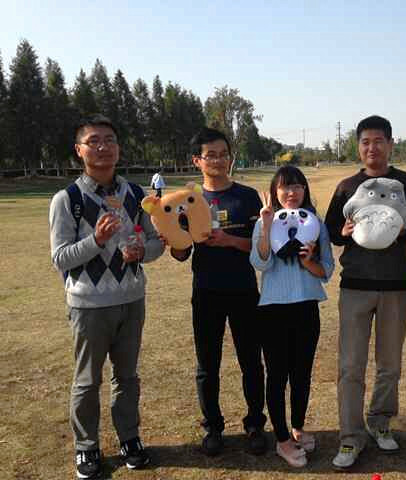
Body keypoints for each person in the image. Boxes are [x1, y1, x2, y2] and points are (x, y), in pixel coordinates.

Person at [49, 114, 164, 479]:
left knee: (127, 377)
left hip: (131, 300)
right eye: (94, 141)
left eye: (110, 140)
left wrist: (142, 252)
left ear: (119, 147)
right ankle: (86, 447)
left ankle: (129, 439)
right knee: (87, 380)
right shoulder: (67, 200)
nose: (103, 147)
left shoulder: (136, 195)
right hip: (89, 306)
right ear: (79, 150)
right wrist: (96, 241)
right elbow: (60, 258)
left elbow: (156, 242)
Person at [325, 115, 406, 470]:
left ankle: (380, 422)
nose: (372, 148)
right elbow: (331, 232)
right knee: (350, 365)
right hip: (356, 285)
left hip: (395, 285)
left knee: (389, 364)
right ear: (358, 146)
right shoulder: (346, 187)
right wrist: (344, 230)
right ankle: (351, 436)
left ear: (391, 144)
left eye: (379, 141)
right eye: (366, 142)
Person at [169, 127, 267, 456]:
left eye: (224, 154)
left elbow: (260, 247)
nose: (219, 160)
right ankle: (212, 427)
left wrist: (228, 240)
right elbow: (181, 253)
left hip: (243, 290)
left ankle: (255, 424)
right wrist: (175, 241)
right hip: (206, 291)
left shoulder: (247, 197)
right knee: (207, 365)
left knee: (251, 362)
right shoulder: (188, 202)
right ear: (197, 160)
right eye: (211, 155)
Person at [250, 165, 335, 467]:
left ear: (304, 190)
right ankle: (282, 439)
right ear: (275, 191)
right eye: (285, 186)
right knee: (277, 375)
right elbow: (260, 263)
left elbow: (326, 270)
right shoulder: (266, 221)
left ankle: (297, 427)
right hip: (273, 309)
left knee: (302, 374)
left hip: (306, 307)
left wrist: (309, 261)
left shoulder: (315, 224)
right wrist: (265, 227)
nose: (291, 192)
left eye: (297, 186)